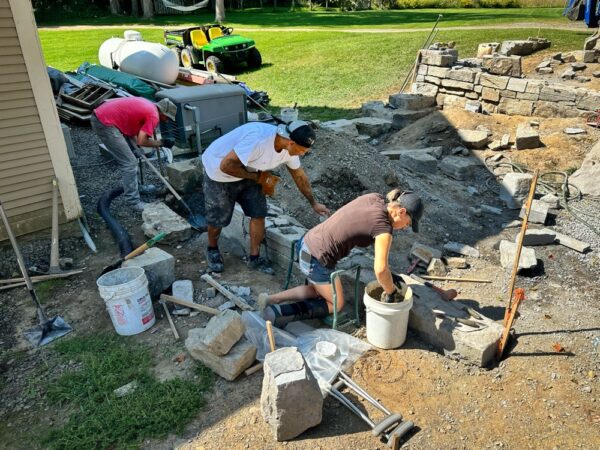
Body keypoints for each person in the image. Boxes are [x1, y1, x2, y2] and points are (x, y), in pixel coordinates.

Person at [259, 189, 424, 328]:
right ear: (401, 212)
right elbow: (380, 270)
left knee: (316, 291)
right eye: (408, 223)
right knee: (336, 304)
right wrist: (391, 292)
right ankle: (277, 315)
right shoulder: (383, 229)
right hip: (317, 259)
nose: (405, 228)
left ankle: (270, 299)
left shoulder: (375, 198)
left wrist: (388, 276)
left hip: (307, 242)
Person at [201, 120, 330, 274]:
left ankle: (255, 258)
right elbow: (226, 165)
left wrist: (313, 203)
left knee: (258, 213)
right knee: (218, 219)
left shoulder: (289, 151)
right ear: (290, 142)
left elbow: (300, 176)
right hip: (219, 172)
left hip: (251, 171)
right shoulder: (259, 140)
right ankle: (212, 249)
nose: (302, 154)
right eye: (301, 150)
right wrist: (257, 177)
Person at [91, 97, 177, 211]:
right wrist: (161, 143)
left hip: (108, 117)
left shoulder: (149, 104)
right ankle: (133, 202)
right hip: (105, 122)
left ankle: (138, 187)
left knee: (136, 153)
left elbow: (134, 128)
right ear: (163, 112)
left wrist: (137, 148)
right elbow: (142, 141)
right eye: (167, 118)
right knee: (129, 163)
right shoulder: (153, 115)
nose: (166, 121)